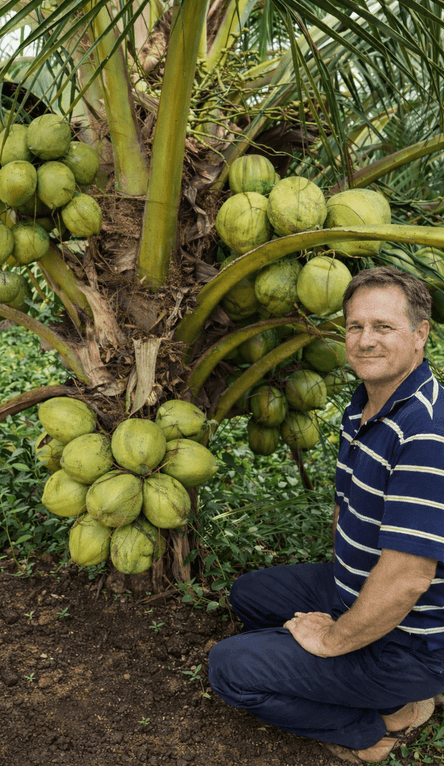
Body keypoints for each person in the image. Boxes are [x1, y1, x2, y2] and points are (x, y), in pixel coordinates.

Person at [209, 265, 444, 763]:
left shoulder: (426, 434)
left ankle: (380, 723)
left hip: (413, 641)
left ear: (420, 334)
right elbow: (345, 506)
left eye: (383, 327)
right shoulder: (365, 404)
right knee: (249, 595)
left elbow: (407, 579)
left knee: (229, 668)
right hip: (354, 588)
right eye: (356, 326)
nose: (365, 340)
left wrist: (334, 639)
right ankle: (362, 666)